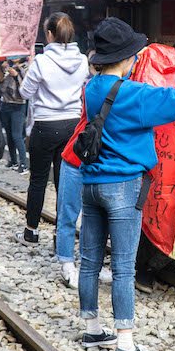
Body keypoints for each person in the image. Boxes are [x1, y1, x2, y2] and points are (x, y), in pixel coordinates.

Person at [79, 17, 175, 351]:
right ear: (128, 58)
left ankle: (93, 327)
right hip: (124, 186)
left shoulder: (91, 88)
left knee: (90, 259)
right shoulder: (134, 94)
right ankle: (126, 344)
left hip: (91, 183)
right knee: (125, 266)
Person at [15, 12, 88, 247]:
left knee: (37, 180)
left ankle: (31, 232)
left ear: (49, 34)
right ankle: (60, 235)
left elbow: (24, 93)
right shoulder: (83, 60)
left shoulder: (41, 61)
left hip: (46, 125)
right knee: (63, 183)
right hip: (72, 125)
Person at [55, 50, 113, 289]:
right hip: (78, 157)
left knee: (94, 218)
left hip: (96, 160)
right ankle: (67, 263)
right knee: (69, 213)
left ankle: (91, 265)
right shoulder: (93, 87)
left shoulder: (110, 86)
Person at [0, 57, 29, 174]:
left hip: (18, 105)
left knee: (17, 135)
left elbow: (26, 87)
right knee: (9, 134)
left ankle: (23, 164)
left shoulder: (26, 67)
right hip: (5, 102)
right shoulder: (6, 66)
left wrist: (16, 75)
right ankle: (13, 160)